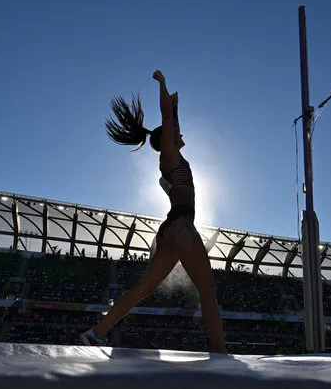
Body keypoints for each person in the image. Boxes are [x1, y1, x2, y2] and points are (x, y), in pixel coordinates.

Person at [80, 70, 227, 353]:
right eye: (176, 131)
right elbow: (166, 120)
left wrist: (176, 107)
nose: (181, 133)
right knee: (207, 291)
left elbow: (171, 121)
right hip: (182, 227)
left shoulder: (173, 156)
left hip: (170, 232)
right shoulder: (168, 155)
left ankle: (95, 332)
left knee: (143, 289)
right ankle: (222, 353)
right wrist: (162, 84)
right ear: (168, 138)